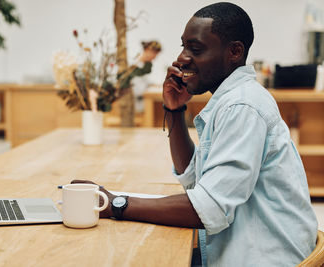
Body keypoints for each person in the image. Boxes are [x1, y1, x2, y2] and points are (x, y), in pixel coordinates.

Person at [72, 2, 318, 266]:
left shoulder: (242, 106)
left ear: (234, 51)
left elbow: (208, 208)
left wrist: (117, 204)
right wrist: (174, 110)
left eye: (196, 49)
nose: (182, 58)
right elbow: (194, 180)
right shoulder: (232, 99)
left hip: (262, 258)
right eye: (183, 46)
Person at [131, 41, 162, 113]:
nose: (154, 57)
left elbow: (146, 83)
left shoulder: (145, 66)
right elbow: (138, 90)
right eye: (154, 54)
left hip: (143, 102)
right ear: (147, 50)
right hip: (137, 104)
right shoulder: (135, 66)